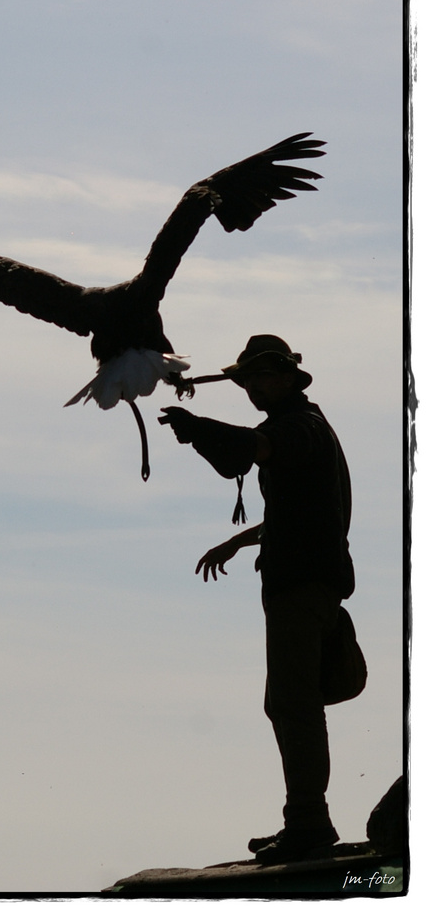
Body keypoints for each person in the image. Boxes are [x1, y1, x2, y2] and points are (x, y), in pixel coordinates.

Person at [159, 335, 355, 865]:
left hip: (302, 588)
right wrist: (239, 540)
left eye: (262, 377)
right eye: (247, 380)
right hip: (305, 585)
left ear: (289, 378)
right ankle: (306, 819)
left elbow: (253, 450)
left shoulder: (299, 426)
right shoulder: (304, 427)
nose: (253, 387)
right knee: (287, 704)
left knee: (294, 705)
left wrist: (198, 429)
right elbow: (296, 511)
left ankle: (309, 824)